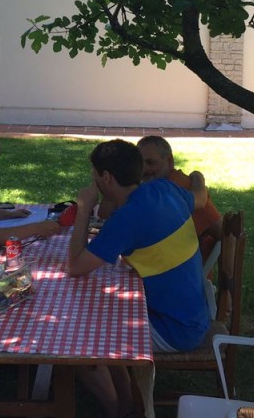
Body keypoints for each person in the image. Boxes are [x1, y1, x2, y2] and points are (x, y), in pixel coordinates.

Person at [67, 139, 211, 418]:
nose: (93, 181)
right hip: (194, 315)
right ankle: (127, 403)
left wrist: (84, 208)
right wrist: (197, 178)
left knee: (79, 343)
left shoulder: (128, 218)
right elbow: (199, 197)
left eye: (94, 175)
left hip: (175, 330)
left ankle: (118, 411)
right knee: (103, 317)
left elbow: (75, 266)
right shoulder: (165, 188)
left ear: (106, 178)